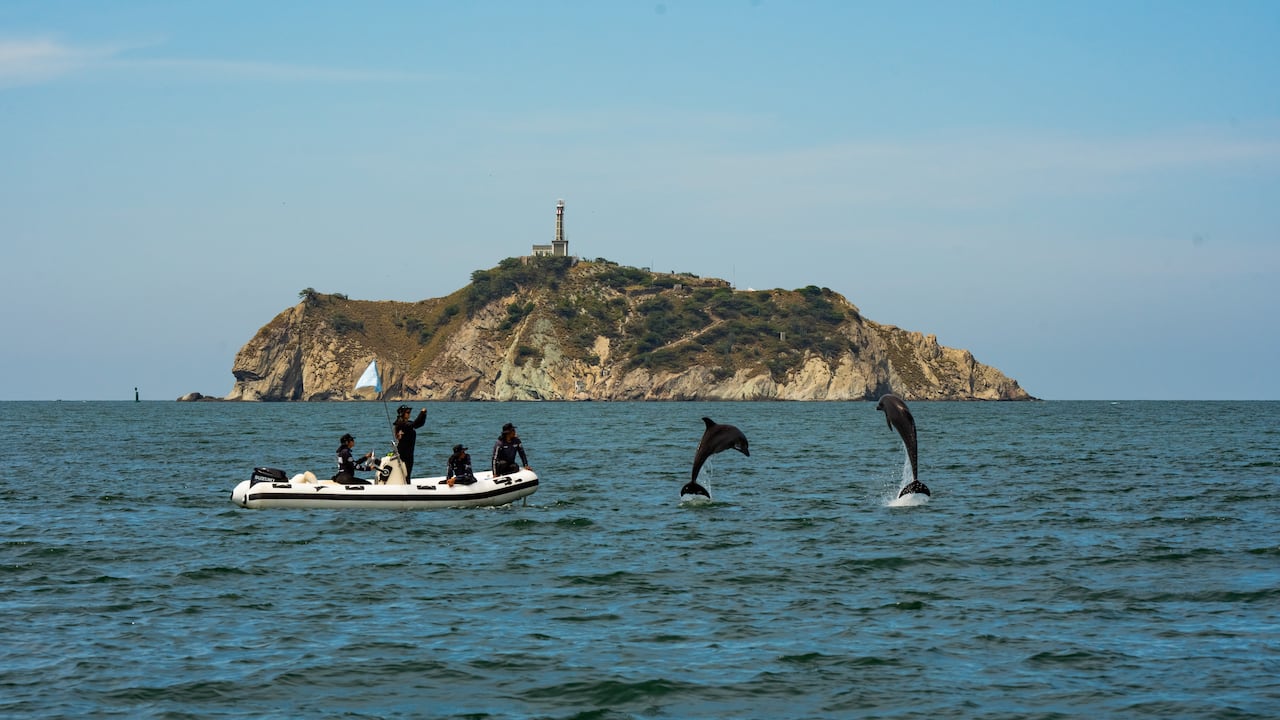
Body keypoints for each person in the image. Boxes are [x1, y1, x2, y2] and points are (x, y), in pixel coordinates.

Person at [393, 405, 428, 479]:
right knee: (405, 474)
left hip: (409, 452)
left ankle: (407, 484)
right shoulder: (401, 423)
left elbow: (419, 424)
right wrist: (421, 413)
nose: (409, 414)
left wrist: (424, 415)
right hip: (403, 453)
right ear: (402, 413)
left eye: (410, 412)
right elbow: (414, 424)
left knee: (408, 474)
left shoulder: (407, 422)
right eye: (407, 412)